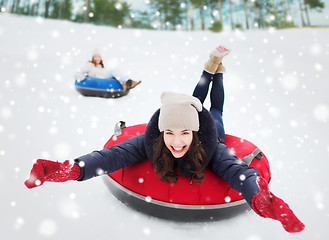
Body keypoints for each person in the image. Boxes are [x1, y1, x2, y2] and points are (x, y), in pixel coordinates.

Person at [25, 46, 305, 233]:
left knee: (215, 108)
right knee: (192, 98)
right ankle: (211, 66)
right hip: (187, 112)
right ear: (161, 131)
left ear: (194, 134)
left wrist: (263, 200)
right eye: (169, 133)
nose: (177, 142)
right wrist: (68, 169)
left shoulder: (212, 148)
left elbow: (239, 172)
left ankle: (215, 70)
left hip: (212, 125)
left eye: (184, 134)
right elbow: (110, 157)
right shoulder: (151, 140)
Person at [76, 49, 141, 91]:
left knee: (115, 72)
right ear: (93, 58)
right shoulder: (89, 65)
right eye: (95, 57)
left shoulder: (101, 66)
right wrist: (81, 77)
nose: (97, 58)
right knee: (113, 70)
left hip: (105, 79)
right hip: (100, 80)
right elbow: (78, 73)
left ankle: (126, 83)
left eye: (99, 57)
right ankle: (128, 82)